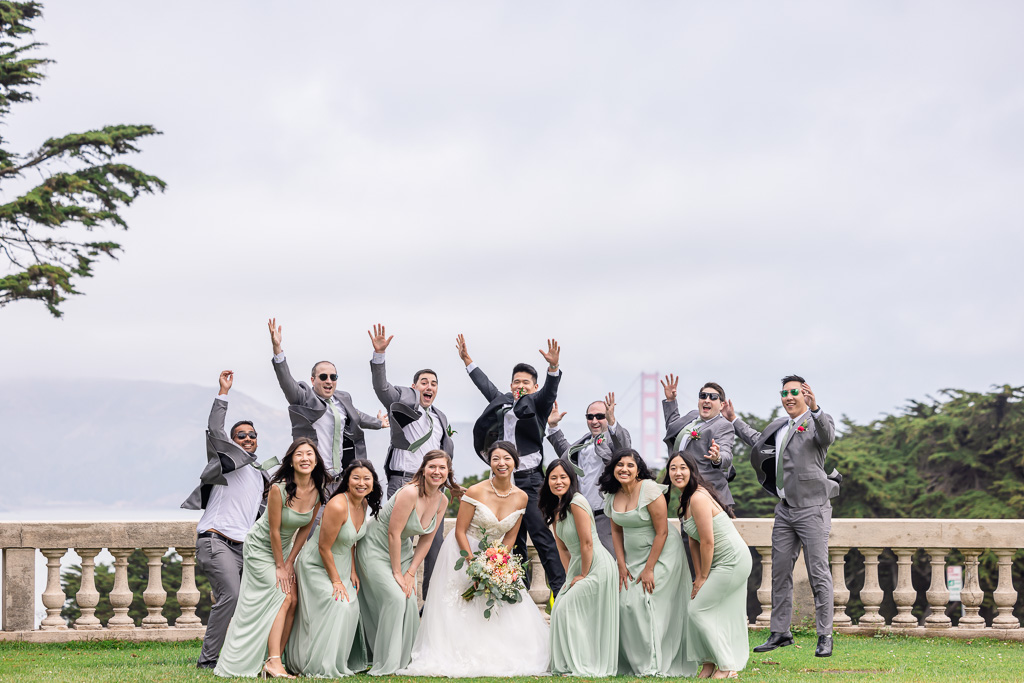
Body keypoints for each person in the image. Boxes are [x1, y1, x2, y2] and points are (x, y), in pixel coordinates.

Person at [399, 442, 550, 677]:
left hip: (497, 557)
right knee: (463, 606)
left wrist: (497, 563)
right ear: (489, 463)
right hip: (464, 551)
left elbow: (511, 536)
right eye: (496, 459)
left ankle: (499, 652)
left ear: (515, 463)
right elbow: (459, 530)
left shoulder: (521, 497)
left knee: (503, 607)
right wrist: (475, 564)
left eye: (507, 458)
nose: (502, 463)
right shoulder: (475, 491)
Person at [722, 375, 841, 658]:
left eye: (794, 392)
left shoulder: (816, 422)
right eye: (784, 392)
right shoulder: (779, 426)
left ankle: (825, 635)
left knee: (818, 573)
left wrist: (816, 409)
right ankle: (780, 632)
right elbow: (757, 440)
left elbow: (828, 436)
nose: (788, 397)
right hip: (785, 509)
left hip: (813, 508)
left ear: (806, 394)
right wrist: (734, 420)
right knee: (778, 571)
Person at [456, 333, 566, 597]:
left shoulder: (539, 404)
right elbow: (486, 387)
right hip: (503, 480)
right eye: (516, 381)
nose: (520, 385)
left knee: (541, 536)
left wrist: (553, 369)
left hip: (530, 481)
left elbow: (550, 392)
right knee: (511, 541)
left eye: (526, 382)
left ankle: (561, 592)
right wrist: (468, 361)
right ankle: (515, 592)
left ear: (534, 386)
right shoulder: (502, 401)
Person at [215, 438, 326, 679]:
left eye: (309, 454)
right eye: (299, 454)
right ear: (291, 461)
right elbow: (274, 530)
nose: (305, 458)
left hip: (284, 551)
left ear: (316, 460)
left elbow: (305, 529)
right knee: (283, 596)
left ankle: (275, 657)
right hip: (260, 548)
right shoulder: (279, 489)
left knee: (294, 600)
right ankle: (273, 663)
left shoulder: (318, 491)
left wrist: (290, 562)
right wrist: (280, 566)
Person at [183, 371, 272, 670]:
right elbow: (214, 429)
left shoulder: (261, 475)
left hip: (244, 548)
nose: (247, 438)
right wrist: (223, 393)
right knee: (231, 596)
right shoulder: (226, 462)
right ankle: (207, 661)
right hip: (215, 540)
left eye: (252, 435)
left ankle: (250, 657)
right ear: (232, 442)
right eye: (241, 435)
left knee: (261, 597)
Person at [368, 323, 455, 596]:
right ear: (414, 387)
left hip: (434, 489)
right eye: (424, 382)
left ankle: (427, 604)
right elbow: (382, 389)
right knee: (394, 538)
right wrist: (379, 356)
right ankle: (393, 591)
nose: (429, 386)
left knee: (434, 546)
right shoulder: (404, 402)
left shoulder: (441, 418)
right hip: (403, 484)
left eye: (434, 383)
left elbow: (444, 455)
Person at [355, 450, 453, 675]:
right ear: (423, 469)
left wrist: (411, 572)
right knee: (395, 597)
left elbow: (427, 539)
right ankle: (385, 661)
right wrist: (398, 573)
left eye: (442, 468)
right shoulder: (409, 493)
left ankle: (406, 659)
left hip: (404, 551)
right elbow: (393, 533)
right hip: (375, 547)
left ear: (448, 472)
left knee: (409, 599)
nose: (437, 472)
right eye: (432, 467)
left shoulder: (442, 500)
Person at [601, 449, 696, 677]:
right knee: (625, 604)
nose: (624, 469)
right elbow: (616, 530)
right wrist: (621, 564)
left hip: (662, 553)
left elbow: (662, 531)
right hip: (631, 557)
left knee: (645, 602)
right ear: (613, 468)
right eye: (619, 464)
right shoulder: (612, 494)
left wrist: (649, 569)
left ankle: (653, 664)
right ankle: (633, 663)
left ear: (638, 469)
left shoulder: (650, 490)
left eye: (630, 465)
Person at [288, 459, 382, 678]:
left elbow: (348, 540)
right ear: (347, 481)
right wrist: (336, 581)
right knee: (338, 605)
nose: (361, 483)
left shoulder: (364, 504)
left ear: (373, 482)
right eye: (356, 478)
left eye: (366, 478)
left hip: (341, 564)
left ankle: (338, 661)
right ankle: (317, 664)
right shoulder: (338, 505)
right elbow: (323, 547)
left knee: (351, 607)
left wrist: (351, 572)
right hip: (317, 564)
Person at [268, 318, 386, 486]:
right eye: (323, 377)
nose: (329, 381)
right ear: (313, 379)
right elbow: (286, 382)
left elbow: (357, 415)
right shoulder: (304, 399)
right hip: (313, 479)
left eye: (333, 377)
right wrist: (277, 349)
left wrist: (378, 423)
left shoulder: (342, 398)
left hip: (340, 479)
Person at [667, 450, 751, 679]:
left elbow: (707, 541)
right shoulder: (685, 500)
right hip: (716, 564)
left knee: (697, 610)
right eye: (673, 468)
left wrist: (704, 577)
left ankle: (726, 665)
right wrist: (698, 576)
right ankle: (707, 663)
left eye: (683, 467)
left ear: (692, 470)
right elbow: (693, 542)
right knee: (700, 608)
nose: (677, 472)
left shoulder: (698, 497)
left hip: (732, 560)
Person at [540, 459, 618, 677]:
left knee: (566, 609)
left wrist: (583, 574)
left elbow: (587, 543)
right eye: (553, 477)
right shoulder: (555, 509)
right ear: (547, 482)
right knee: (560, 607)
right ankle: (566, 663)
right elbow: (563, 549)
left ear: (571, 479)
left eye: (563, 477)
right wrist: (569, 578)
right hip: (578, 565)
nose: (558, 482)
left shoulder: (577, 501)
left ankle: (582, 663)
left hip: (597, 566)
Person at [547, 393, 631, 555]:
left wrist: (612, 422)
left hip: (605, 517)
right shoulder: (584, 441)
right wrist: (553, 427)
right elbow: (566, 454)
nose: (594, 421)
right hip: (580, 514)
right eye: (590, 416)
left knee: (609, 565)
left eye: (600, 416)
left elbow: (624, 450)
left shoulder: (614, 438)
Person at [661, 374, 737, 513]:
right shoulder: (692, 416)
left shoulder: (723, 426)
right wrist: (671, 401)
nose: (707, 400)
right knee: (687, 534)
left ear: (721, 405)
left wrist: (717, 457)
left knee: (709, 536)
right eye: (703, 396)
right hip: (688, 493)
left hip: (712, 497)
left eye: (713, 397)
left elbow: (726, 454)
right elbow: (673, 428)